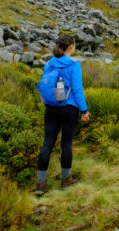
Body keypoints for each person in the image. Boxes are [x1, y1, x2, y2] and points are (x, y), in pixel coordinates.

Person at [35, 34, 90, 196]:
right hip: (69, 108)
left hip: (51, 108)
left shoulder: (50, 63)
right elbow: (78, 90)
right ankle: (66, 181)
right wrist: (84, 111)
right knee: (66, 144)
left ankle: (40, 184)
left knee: (47, 145)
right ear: (71, 47)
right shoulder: (74, 65)